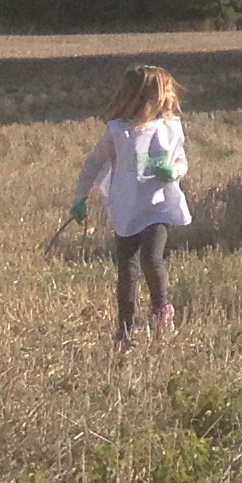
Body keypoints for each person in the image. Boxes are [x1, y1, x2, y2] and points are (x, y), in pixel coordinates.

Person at [71, 62, 190, 351]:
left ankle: (161, 310)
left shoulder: (171, 128)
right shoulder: (118, 131)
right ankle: (124, 330)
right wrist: (79, 197)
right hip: (126, 207)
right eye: (166, 91)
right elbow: (94, 163)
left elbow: (181, 161)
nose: (172, 96)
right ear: (146, 97)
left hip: (158, 205)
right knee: (127, 269)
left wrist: (174, 172)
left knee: (151, 257)